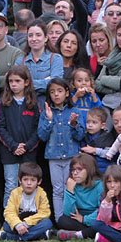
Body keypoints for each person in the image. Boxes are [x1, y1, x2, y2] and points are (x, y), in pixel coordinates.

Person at [37, 78, 84, 220]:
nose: (56, 94)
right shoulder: (46, 113)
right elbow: (42, 136)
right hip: (54, 157)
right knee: (57, 190)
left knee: (71, 188)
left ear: (67, 93)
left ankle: (72, 218)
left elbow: (80, 135)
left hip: (71, 156)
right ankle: (59, 220)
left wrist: (74, 124)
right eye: (52, 92)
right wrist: (49, 120)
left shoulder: (75, 111)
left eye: (59, 91)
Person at [0, 66, 40, 206]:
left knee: (28, 186)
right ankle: (9, 216)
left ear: (26, 82)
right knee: (10, 185)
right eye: (10, 81)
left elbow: (38, 128)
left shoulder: (34, 103)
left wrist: (27, 146)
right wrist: (13, 146)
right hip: (9, 151)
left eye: (17, 81)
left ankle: (27, 215)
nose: (13, 84)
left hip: (29, 152)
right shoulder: (3, 102)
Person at [0, 162, 52, 241]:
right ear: (20, 180)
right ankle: (38, 235)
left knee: (47, 223)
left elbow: (45, 212)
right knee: (6, 225)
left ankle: (16, 238)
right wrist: (18, 225)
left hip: (33, 223)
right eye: (25, 179)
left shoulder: (41, 194)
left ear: (39, 181)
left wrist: (26, 224)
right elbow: (9, 212)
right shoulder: (15, 193)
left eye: (33, 180)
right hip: (18, 222)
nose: (29, 183)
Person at [55, 153, 103, 241]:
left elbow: (102, 211)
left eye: (79, 169)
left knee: (100, 224)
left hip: (94, 217)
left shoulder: (100, 185)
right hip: (78, 218)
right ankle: (86, 233)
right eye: (73, 170)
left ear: (89, 169)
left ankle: (79, 234)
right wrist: (70, 191)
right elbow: (68, 213)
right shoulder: (72, 185)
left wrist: (84, 219)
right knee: (62, 221)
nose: (75, 173)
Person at [15, 19, 64, 103]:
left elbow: (56, 85)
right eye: (30, 35)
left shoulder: (55, 58)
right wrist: (46, 81)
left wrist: (26, 84)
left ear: (46, 38)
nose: (34, 39)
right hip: (26, 106)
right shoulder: (21, 61)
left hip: (48, 106)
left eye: (38, 35)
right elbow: (16, 84)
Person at [80, 107, 116, 175]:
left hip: (104, 170)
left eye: (94, 122)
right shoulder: (85, 137)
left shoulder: (106, 137)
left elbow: (110, 153)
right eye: (88, 122)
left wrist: (95, 150)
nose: (90, 125)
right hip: (90, 170)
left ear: (102, 125)